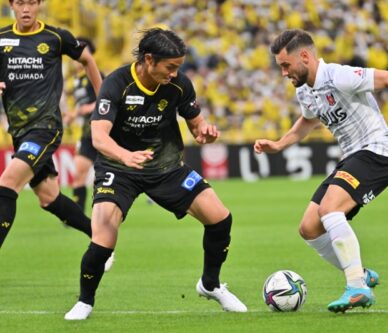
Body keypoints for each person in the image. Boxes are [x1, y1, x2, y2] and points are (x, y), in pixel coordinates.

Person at [254, 29, 388, 313]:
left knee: (330, 209)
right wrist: (279, 144)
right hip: (353, 157)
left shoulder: (338, 76)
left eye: (285, 65)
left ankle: (356, 286)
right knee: (309, 228)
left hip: (377, 151)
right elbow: (308, 121)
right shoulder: (304, 90)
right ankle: (362, 273)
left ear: (305, 56)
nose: (283, 73)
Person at [64, 28, 247, 320]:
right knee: (103, 236)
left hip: (166, 167)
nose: (175, 74)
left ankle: (210, 285)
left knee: (220, 218)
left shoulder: (179, 85)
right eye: (170, 67)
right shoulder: (116, 84)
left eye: (178, 68)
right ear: (149, 59)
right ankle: (85, 301)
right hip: (119, 168)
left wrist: (205, 133)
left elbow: (196, 125)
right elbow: (99, 137)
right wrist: (125, 155)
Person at [0, 1, 104, 250]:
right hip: (19, 131)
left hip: (46, 128)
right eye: (20, 2)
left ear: (39, 5)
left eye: (31, 3)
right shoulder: (2, 38)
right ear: (12, 5)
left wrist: (103, 105)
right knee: (48, 198)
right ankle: (101, 238)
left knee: (7, 183)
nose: (26, 8)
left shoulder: (56, 37)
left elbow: (88, 60)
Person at [65, 37, 102, 211]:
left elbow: (106, 101)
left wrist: (81, 110)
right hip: (88, 132)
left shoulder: (96, 75)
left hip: (103, 131)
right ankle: (76, 214)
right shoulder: (77, 79)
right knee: (79, 172)